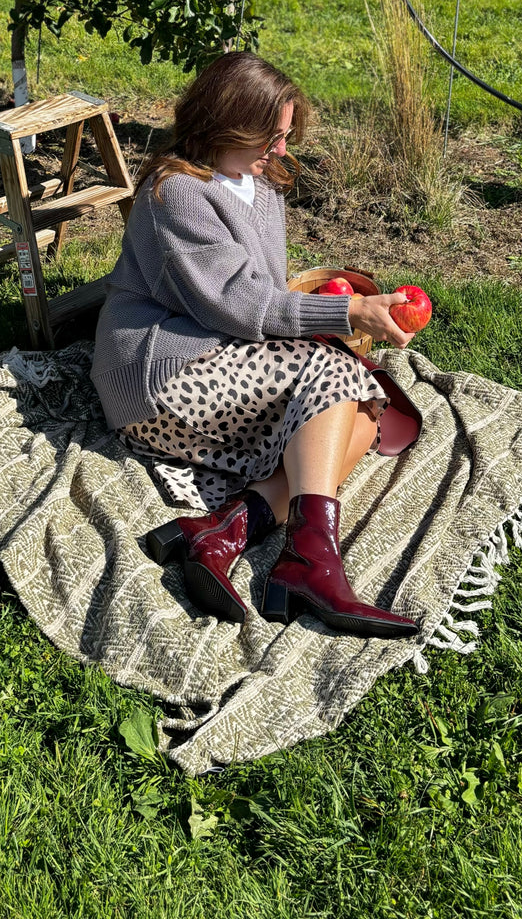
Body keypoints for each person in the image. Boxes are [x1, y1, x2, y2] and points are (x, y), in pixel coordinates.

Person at [90, 51, 421, 640]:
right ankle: (314, 566)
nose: (282, 151)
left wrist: (327, 320)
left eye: (286, 136)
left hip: (225, 358)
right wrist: (346, 309)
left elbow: (264, 296)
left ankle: (224, 529)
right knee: (337, 377)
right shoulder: (177, 195)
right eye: (271, 137)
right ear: (226, 123)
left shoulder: (261, 189)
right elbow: (243, 304)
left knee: (364, 417)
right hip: (161, 371)